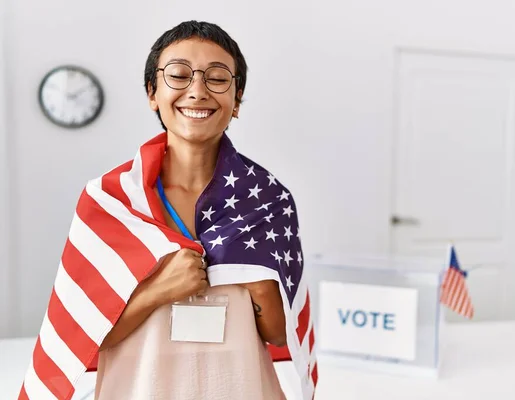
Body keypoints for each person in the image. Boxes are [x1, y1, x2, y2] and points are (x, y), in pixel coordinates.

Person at [19, 20, 317, 400]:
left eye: (218, 78)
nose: (197, 91)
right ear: (152, 93)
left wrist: (258, 284)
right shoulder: (110, 201)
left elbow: (279, 333)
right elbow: (81, 340)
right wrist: (157, 291)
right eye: (178, 75)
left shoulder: (269, 201)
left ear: (237, 100)